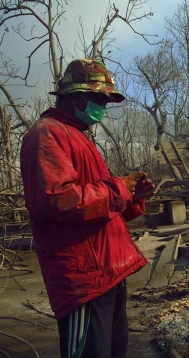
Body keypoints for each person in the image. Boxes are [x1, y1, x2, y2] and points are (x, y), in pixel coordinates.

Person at [20, 58, 155, 358]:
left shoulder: (78, 137)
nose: (102, 107)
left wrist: (132, 196)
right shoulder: (48, 134)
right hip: (84, 281)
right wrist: (120, 187)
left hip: (107, 274)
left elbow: (98, 207)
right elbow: (56, 199)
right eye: (98, 98)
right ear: (76, 96)